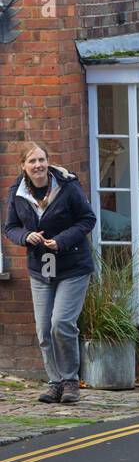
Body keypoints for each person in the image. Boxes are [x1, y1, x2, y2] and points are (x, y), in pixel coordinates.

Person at [3, 142, 98, 404]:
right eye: (32, 161)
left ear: (48, 161)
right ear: (23, 165)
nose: (38, 165)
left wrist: (63, 240)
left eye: (42, 160)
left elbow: (88, 219)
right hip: (41, 267)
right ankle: (54, 382)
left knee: (61, 323)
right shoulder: (17, 192)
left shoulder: (67, 186)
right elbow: (10, 227)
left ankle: (70, 381)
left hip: (73, 265)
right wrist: (26, 236)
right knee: (44, 329)